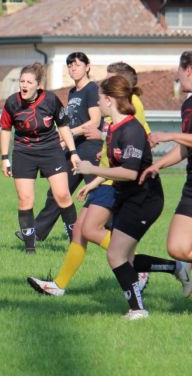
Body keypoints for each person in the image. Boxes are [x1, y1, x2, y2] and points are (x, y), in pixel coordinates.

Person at [27, 61, 152, 296]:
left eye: (109, 80)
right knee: (79, 231)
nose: (101, 90)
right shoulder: (117, 109)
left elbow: (139, 139)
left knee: (90, 230)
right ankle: (59, 285)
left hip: (113, 179)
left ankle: (134, 267)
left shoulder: (131, 106)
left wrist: (101, 146)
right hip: (104, 177)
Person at [74, 75, 189, 320]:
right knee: (125, 258)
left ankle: (138, 309)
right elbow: (113, 163)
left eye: (99, 98)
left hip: (145, 200)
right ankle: (177, 268)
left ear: (109, 100)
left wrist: (91, 170)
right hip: (127, 197)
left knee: (115, 255)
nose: (97, 103)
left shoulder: (132, 129)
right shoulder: (113, 128)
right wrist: (95, 180)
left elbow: (129, 172)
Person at [16, 52, 102, 243]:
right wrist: (65, 138)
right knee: (58, 192)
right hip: (74, 149)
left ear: (88, 67)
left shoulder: (91, 89)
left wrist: (70, 134)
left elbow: (95, 121)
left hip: (90, 148)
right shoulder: (73, 92)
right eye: (70, 65)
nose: (73, 68)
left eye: (78, 65)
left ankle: (110, 231)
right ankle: (38, 231)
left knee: (98, 191)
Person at [0, 62, 80, 253]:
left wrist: (74, 152)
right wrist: (4, 157)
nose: (24, 85)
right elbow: (5, 130)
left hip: (50, 151)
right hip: (23, 153)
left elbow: (63, 126)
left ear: (38, 85)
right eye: (22, 81)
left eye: (29, 82)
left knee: (62, 195)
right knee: (25, 199)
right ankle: (30, 248)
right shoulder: (12, 102)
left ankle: (75, 244)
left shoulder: (50, 100)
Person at [138, 50, 192, 297]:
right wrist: (158, 165)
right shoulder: (188, 105)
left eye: (179, 71)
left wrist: (168, 135)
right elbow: (185, 147)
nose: (176, 75)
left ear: (188, 69)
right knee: (177, 247)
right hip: (191, 184)